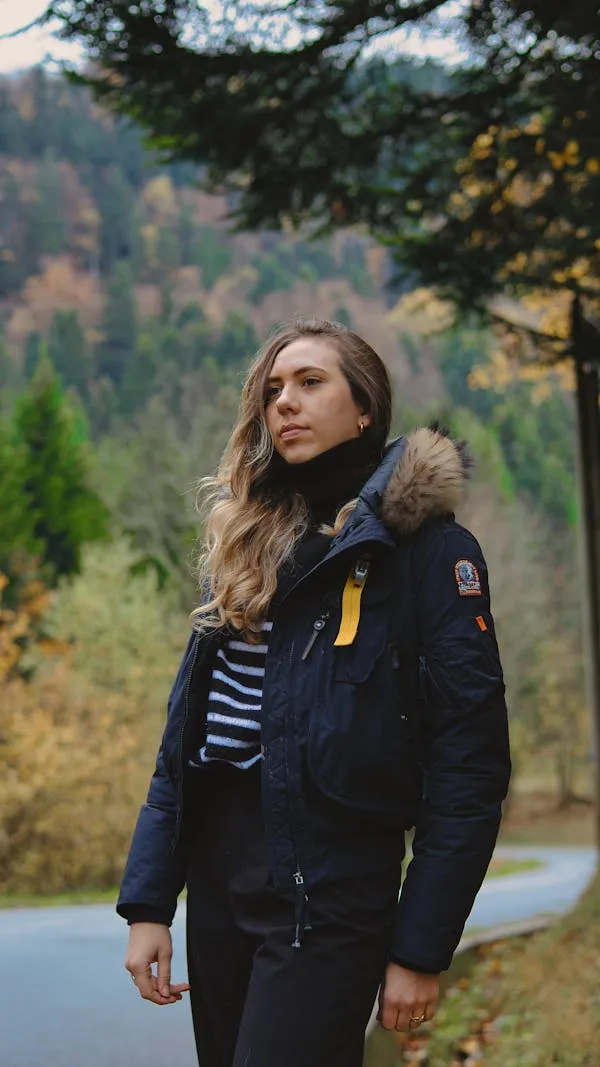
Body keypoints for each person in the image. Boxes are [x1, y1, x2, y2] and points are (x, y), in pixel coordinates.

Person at [118, 318, 510, 1067]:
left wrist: (421, 947)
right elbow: (186, 741)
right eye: (271, 390)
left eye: (309, 382)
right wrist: (149, 903)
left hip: (329, 896)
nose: (284, 403)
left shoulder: (428, 553)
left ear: (366, 407)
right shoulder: (244, 545)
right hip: (220, 883)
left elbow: (469, 764)